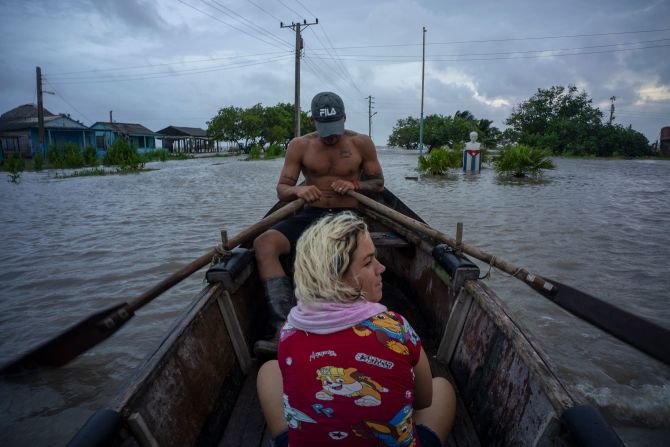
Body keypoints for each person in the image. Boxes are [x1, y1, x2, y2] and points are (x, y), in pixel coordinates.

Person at [257, 212, 456, 446]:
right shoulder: (396, 327)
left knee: (269, 371)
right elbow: (423, 400)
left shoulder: (290, 330)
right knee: (442, 388)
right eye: (368, 262)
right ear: (337, 276)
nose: (381, 268)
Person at [253, 92, 384, 355]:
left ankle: (358, 321)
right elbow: (282, 189)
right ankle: (284, 326)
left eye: (335, 129)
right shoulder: (299, 145)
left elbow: (378, 184)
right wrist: (298, 192)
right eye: (324, 130)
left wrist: (355, 184)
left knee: (342, 253)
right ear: (312, 121)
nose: (330, 137)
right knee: (264, 243)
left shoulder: (361, 143)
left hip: (347, 217)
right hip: (310, 216)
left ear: (344, 118)